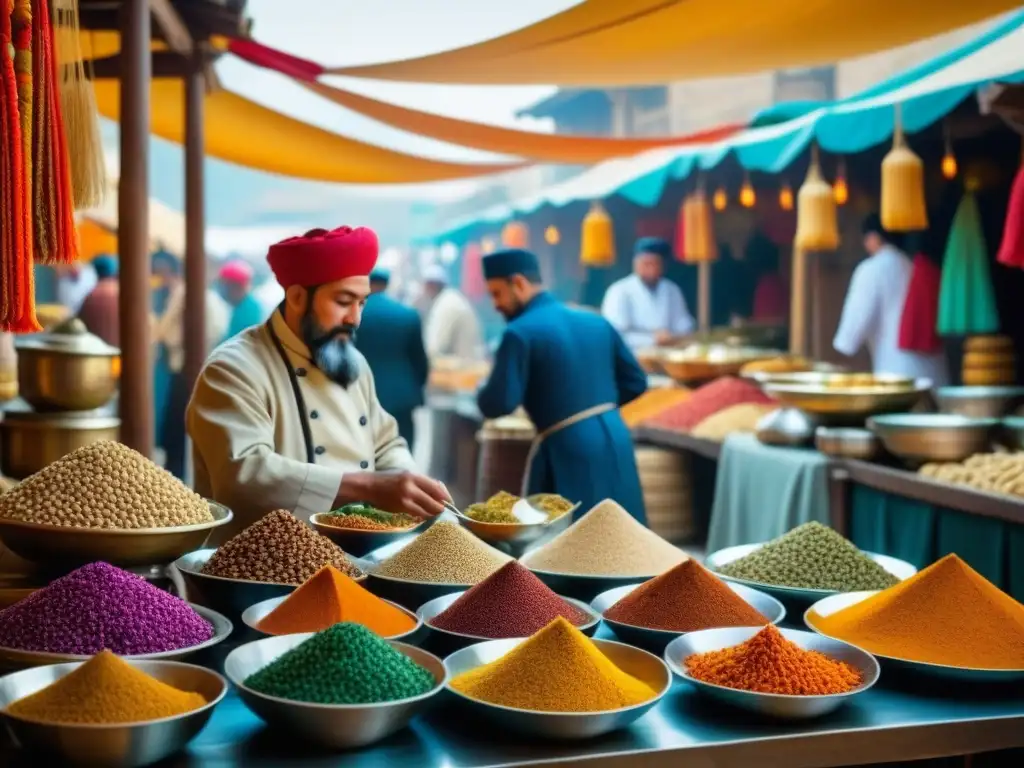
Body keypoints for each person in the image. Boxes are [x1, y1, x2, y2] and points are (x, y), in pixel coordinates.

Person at [186, 226, 449, 533]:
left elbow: (385, 442)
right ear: (297, 297)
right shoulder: (233, 368)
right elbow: (246, 475)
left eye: (361, 302)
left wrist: (410, 482)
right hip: (263, 566)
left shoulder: (352, 361)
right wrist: (370, 487)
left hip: (355, 553)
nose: (355, 318)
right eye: (343, 301)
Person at [477, 248, 649, 522]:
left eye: (497, 293)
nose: (495, 304)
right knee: (625, 537)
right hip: (617, 437)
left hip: (568, 448)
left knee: (572, 547)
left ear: (519, 284)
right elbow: (637, 382)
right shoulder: (596, 320)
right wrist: (596, 406)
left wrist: (482, 388)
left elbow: (499, 403)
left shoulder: (518, 332)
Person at [833, 214, 950, 384]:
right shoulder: (915, 266)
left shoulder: (870, 269)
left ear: (873, 238)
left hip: (898, 378)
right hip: (936, 375)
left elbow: (850, 335)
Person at [152, 256, 230, 479]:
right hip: (201, 366)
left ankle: (174, 481)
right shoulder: (212, 297)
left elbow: (166, 332)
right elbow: (218, 329)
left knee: (176, 433)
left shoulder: (183, 293)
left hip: (183, 368)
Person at [352, 268, 429, 450]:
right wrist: (416, 387)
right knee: (400, 453)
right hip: (401, 399)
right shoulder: (408, 314)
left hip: (360, 397)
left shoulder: (353, 315)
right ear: (387, 284)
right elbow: (420, 362)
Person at [601, 237, 695, 351]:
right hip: (632, 356)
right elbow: (615, 333)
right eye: (646, 264)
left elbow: (683, 325)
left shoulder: (672, 290)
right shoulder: (619, 290)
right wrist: (653, 339)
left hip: (667, 355)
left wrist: (673, 336)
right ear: (635, 264)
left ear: (662, 266)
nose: (651, 269)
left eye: (655, 263)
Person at [421, 264, 483, 361]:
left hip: (461, 370)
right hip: (470, 365)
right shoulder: (451, 299)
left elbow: (435, 348)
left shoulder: (445, 304)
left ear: (431, 286)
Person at [218, 260, 265, 342]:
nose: (224, 290)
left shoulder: (249, 310)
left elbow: (232, 343)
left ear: (237, 287)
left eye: (227, 286)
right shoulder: (240, 305)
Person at [78, 255, 120, 347]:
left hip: (97, 355)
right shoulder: (122, 295)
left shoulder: (91, 296)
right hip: (120, 354)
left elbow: (80, 326)